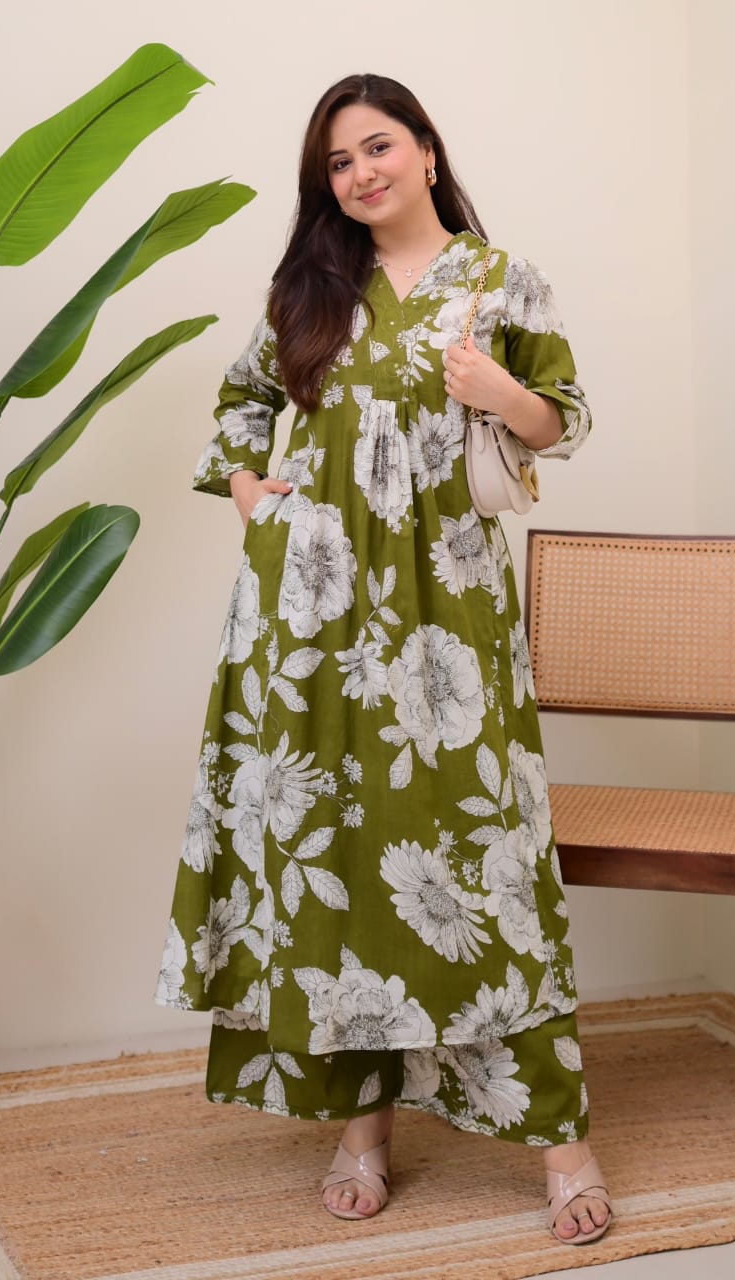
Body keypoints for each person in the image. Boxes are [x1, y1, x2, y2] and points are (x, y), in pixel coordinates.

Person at [156, 73, 611, 1246]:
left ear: (424, 150)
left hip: (449, 606)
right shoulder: (310, 288)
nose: (360, 173)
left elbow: (563, 416)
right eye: (338, 162)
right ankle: (359, 1126)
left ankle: (559, 1136)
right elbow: (240, 408)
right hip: (309, 612)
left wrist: (498, 390)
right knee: (341, 848)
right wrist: (256, 498)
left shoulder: (501, 279)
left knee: (485, 852)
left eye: (377, 147)